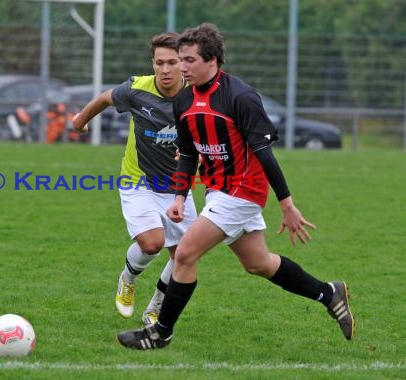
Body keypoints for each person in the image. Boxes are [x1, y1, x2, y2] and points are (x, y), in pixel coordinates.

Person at [117, 23, 354, 349]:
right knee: (258, 263)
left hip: (243, 190)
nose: (182, 67)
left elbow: (265, 154)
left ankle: (160, 332)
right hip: (217, 190)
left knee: (185, 254)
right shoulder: (184, 100)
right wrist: (179, 198)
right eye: (180, 60)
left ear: (212, 60)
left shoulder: (240, 97)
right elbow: (186, 154)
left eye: (189, 60)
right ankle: (329, 293)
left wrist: (287, 204)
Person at [72, 33, 197, 325]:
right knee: (152, 243)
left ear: (183, 63)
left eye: (172, 62)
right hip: (137, 180)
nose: (165, 69)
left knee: (184, 257)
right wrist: (80, 121)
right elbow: (105, 98)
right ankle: (128, 279)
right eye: (159, 63)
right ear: (152, 64)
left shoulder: (196, 94)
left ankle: (155, 308)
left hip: (178, 187)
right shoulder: (137, 89)